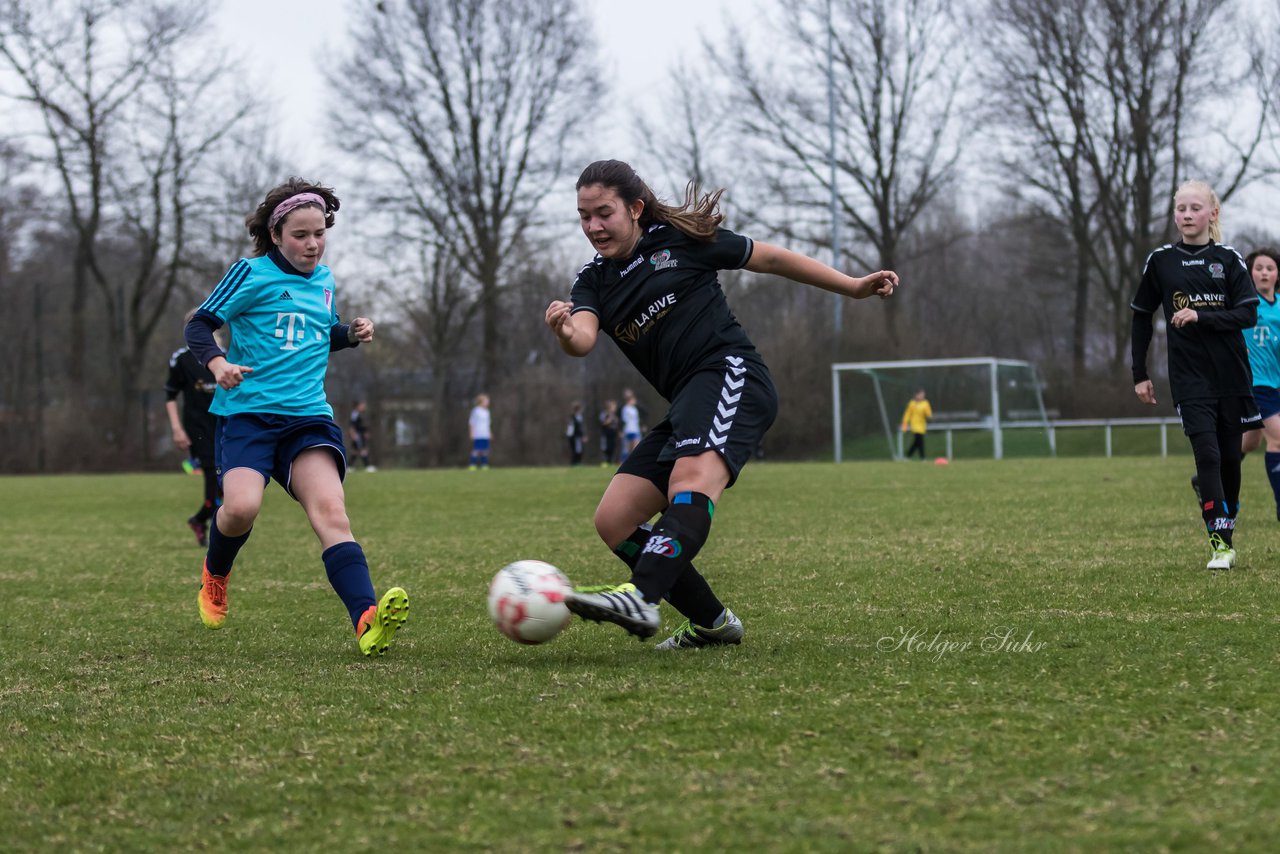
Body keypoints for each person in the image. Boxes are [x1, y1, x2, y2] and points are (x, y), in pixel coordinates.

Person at [544, 159, 899, 648]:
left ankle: (641, 596)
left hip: (731, 374)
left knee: (690, 481)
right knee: (615, 519)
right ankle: (713, 624)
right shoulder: (593, 280)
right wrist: (564, 332)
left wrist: (853, 286)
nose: (593, 227)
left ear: (636, 208)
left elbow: (770, 259)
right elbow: (582, 339)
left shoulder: (679, 241)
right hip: (687, 401)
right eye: (584, 217)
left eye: (603, 213)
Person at [184, 177, 408, 656]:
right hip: (248, 416)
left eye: (319, 234)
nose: (312, 244)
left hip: (308, 418)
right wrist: (218, 363)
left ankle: (367, 620)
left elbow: (314, 336)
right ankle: (215, 575)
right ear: (277, 235)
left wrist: (349, 333)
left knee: (332, 513)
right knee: (241, 509)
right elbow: (198, 323)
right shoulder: (250, 274)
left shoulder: (325, 283)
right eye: (301, 235)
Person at [1131, 179, 1259, 571]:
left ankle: (1226, 519)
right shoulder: (1161, 261)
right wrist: (1140, 373)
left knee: (1230, 461)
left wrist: (1202, 315)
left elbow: (1248, 314)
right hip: (1189, 380)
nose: (1187, 215)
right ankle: (1220, 544)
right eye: (1181, 208)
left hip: (1232, 376)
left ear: (1212, 214)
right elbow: (1140, 316)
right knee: (1206, 454)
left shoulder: (1230, 259)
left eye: (1195, 208)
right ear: (1174, 215)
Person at [164, 309, 223, 546]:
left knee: (228, 486)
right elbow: (170, 396)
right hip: (198, 430)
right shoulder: (182, 359)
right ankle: (212, 528)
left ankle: (200, 519)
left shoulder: (226, 356)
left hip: (224, 427)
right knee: (213, 481)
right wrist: (177, 429)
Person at [1239, 247, 1280, 518]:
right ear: (1250, 272)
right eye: (1258, 268)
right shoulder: (1244, 303)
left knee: (1250, 442)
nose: (1264, 272)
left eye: (1270, 268)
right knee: (1278, 439)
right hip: (1255, 383)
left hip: (1276, 383)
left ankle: (1211, 473)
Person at [899, 388, 932, 460]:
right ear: (916, 395)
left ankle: (908, 456)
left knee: (917, 442)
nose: (922, 396)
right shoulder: (912, 403)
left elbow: (928, 413)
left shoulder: (925, 403)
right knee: (919, 440)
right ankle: (922, 457)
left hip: (922, 425)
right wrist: (905, 424)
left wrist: (929, 417)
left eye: (923, 395)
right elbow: (907, 414)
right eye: (920, 395)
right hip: (914, 425)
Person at [348, 400, 376, 471]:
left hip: (360, 434)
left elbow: (362, 425)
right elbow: (352, 425)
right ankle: (368, 466)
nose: (364, 407)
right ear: (358, 406)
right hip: (358, 435)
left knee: (355, 451)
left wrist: (366, 432)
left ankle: (349, 466)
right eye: (362, 405)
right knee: (363, 450)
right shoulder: (355, 414)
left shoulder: (361, 414)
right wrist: (353, 434)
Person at [468, 393, 491, 469]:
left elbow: (488, 423)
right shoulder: (476, 411)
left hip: (485, 433)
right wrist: (471, 432)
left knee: (485, 450)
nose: (487, 403)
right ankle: (472, 465)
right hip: (478, 433)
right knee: (476, 449)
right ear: (481, 401)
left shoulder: (487, 412)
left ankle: (484, 465)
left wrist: (490, 432)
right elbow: (472, 422)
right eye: (486, 401)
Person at [620, 389, 641, 460]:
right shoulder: (625, 409)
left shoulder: (635, 409)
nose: (635, 401)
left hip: (635, 430)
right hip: (628, 430)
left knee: (635, 447)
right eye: (633, 400)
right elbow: (624, 420)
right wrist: (622, 430)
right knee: (627, 448)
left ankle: (633, 461)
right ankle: (623, 461)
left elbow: (637, 420)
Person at [598, 398, 621, 466]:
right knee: (606, 448)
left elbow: (617, 424)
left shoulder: (615, 415)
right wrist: (609, 420)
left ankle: (611, 461)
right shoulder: (604, 414)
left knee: (613, 447)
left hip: (613, 433)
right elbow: (602, 423)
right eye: (613, 407)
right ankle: (605, 461)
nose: (615, 408)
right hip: (606, 433)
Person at [566, 401, 585, 465]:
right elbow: (576, 429)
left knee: (579, 450)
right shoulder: (574, 418)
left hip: (576, 437)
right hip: (574, 437)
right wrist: (582, 436)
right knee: (576, 451)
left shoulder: (578, 417)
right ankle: (575, 463)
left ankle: (577, 463)